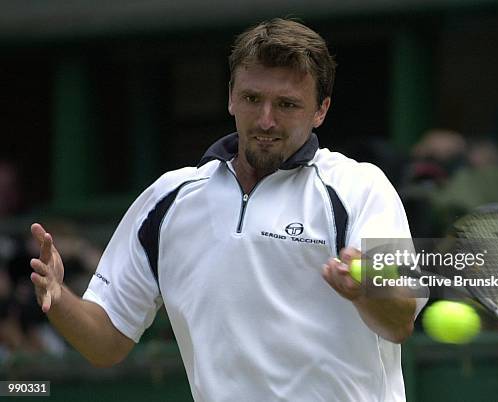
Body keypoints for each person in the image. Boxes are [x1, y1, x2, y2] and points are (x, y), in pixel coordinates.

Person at [28, 19, 425, 401]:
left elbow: (401, 318)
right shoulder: (169, 199)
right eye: (253, 99)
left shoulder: (362, 188)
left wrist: (366, 293)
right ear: (231, 96)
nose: (266, 120)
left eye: (287, 104)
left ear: (320, 110)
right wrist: (60, 298)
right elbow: (106, 344)